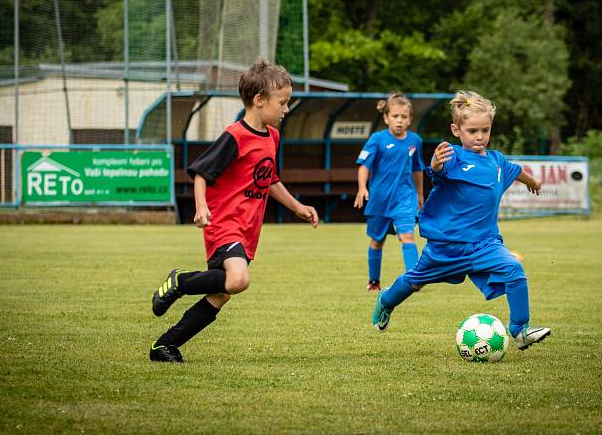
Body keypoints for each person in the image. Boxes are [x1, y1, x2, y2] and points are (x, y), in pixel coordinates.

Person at [149, 59, 319, 363]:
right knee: (238, 280)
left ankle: (164, 345)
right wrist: (201, 207)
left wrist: (297, 208)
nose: (286, 109)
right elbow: (201, 173)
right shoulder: (235, 136)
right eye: (283, 102)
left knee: (221, 293)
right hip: (224, 225)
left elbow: (270, 180)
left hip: (247, 231)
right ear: (259, 100)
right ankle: (179, 282)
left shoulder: (273, 137)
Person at [371, 91, 551, 350]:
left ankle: (520, 331)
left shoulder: (497, 161)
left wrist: (532, 181)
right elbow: (438, 171)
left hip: (484, 244)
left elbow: (515, 170)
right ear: (456, 130)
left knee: (514, 270)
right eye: (472, 131)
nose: (480, 137)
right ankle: (386, 300)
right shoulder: (452, 156)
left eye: (485, 130)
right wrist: (435, 163)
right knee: (415, 281)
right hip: (447, 247)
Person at [354, 93, 425, 291]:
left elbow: (417, 169)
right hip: (380, 199)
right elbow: (364, 166)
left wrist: (419, 195)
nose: (399, 121)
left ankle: (414, 280)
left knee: (407, 236)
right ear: (386, 118)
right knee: (377, 241)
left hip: (404, 198)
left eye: (404, 117)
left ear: (410, 119)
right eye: (395, 116)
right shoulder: (377, 139)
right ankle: (374, 282)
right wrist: (362, 188)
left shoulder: (415, 141)